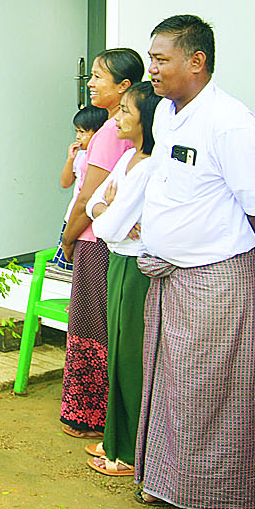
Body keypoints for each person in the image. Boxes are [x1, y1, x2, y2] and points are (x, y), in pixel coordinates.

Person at [135, 14, 255, 509]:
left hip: (218, 278)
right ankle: (170, 482)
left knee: (216, 390)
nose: (152, 69)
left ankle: (236, 507)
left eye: (161, 59)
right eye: (151, 58)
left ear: (196, 61)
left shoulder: (232, 125)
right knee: (174, 382)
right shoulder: (167, 114)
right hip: (173, 276)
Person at [57, 48, 144, 438]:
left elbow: (86, 198)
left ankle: (88, 416)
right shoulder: (127, 130)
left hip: (95, 241)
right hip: (114, 239)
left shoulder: (109, 132)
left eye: (98, 77)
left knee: (90, 327)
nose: (90, 83)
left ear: (123, 86)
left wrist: (67, 238)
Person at [82, 81, 161, 477]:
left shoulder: (151, 166)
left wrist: (108, 213)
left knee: (132, 358)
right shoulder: (128, 157)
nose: (117, 118)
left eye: (126, 111)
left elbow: (109, 225)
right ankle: (116, 437)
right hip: (119, 260)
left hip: (137, 268)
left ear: (147, 120)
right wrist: (108, 211)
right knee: (117, 352)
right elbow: (97, 207)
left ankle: (129, 451)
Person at [53, 105, 108, 271]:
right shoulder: (80, 155)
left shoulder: (102, 157)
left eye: (83, 132)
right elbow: (65, 182)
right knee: (69, 264)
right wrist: (70, 159)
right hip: (73, 215)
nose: (78, 136)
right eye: (77, 131)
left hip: (87, 219)